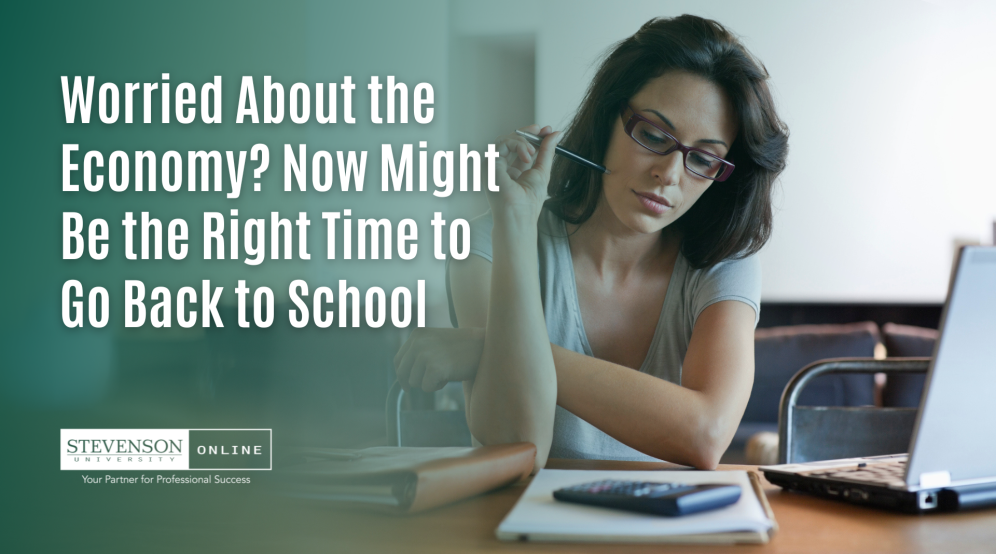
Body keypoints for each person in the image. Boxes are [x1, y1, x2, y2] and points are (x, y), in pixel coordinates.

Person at [394, 15, 789, 471]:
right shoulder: (488, 241)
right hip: (524, 531)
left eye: (703, 158)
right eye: (654, 135)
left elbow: (706, 435)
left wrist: (492, 347)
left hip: (667, 533)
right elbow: (515, 446)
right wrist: (517, 225)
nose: (670, 174)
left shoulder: (724, 262)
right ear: (606, 119)